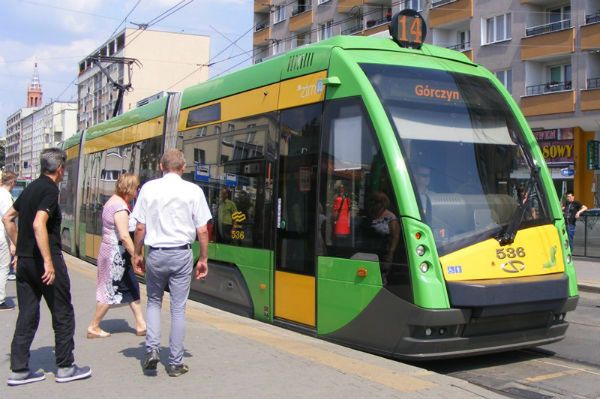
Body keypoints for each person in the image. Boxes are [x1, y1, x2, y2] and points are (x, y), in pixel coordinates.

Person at [2, 148, 91, 385]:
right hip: (45, 260)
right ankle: (65, 366)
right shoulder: (50, 190)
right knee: (62, 311)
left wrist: (18, 247)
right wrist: (49, 262)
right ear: (60, 168)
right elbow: (39, 224)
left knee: (28, 313)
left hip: (25, 262)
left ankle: (19, 369)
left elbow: (8, 217)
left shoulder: (30, 188)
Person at [132, 149, 211, 377]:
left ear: (160, 166)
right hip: (181, 254)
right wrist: (203, 258)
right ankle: (175, 363)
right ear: (183, 167)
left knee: (154, 302)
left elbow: (139, 227)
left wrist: (137, 253)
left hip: (156, 253)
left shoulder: (149, 188)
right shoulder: (194, 191)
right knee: (178, 308)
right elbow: (203, 229)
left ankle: (152, 351)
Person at [86, 173, 146, 338]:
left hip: (112, 252)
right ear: (129, 188)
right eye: (136, 187)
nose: (138, 190)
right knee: (109, 290)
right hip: (116, 256)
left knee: (132, 286)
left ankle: (141, 324)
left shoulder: (111, 201)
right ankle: (94, 326)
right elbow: (125, 236)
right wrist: (136, 255)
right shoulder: (120, 207)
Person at [367, 192, 400, 284]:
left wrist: (390, 253)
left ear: (383, 203)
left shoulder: (391, 217)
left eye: (376, 202)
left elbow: (395, 237)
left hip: (384, 253)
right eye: (372, 201)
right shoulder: (371, 214)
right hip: (369, 251)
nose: (373, 204)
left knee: (380, 277)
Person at [0, 171, 17, 310]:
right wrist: (13, 242)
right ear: (11, 182)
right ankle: (0, 299)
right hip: (2, 236)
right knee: (3, 267)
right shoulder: (6, 197)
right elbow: (8, 219)